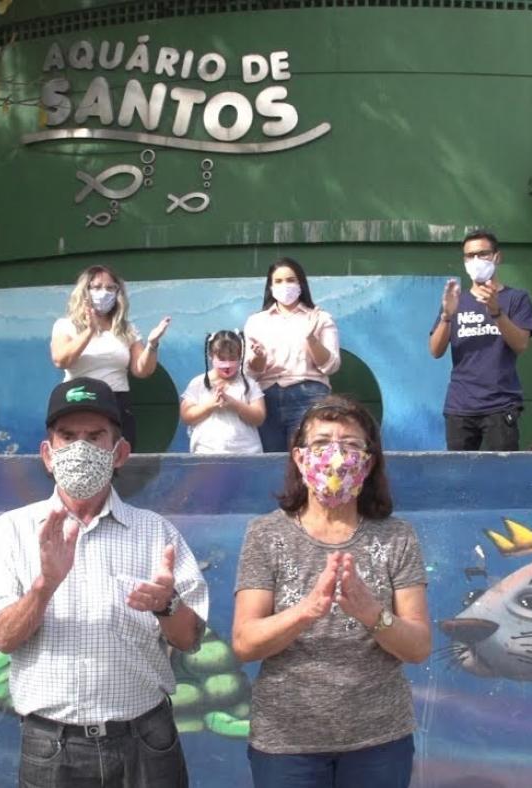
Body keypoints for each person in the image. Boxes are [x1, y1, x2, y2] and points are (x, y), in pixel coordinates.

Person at [0, 376, 208, 788]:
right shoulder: (10, 532)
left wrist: (166, 603)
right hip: (52, 749)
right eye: (67, 436)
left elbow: (189, 639)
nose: (80, 448)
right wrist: (44, 586)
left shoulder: (157, 534)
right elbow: (3, 638)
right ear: (48, 454)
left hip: (146, 743)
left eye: (95, 436)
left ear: (120, 453)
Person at [231, 395, 431, 788]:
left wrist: (373, 614)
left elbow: (419, 646)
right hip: (286, 743)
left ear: (369, 462)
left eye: (351, 444)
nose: (336, 456)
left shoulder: (396, 537)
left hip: (380, 740)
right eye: (321, 443)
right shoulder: (266, 534)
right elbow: (244, 642)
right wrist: (308, 611)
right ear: (300, 458)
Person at [428, 229, 532, 451]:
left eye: (483, 254)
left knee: (501, 477)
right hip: (460, 406)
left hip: (500, 405)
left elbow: (521, 344)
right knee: (459, 478)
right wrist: (447, 316)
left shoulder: (516, 298)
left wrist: (496, 312)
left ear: (497, 257)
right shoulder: (455, 300)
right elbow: (435, 350)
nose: (476, 261)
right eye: (470, 256)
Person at [51, 266, 171, 447]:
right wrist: (90, 331)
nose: (104, 293)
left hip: (116, 401)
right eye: (97, 287)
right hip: (78, 399)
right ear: (85, 291)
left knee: (120, 460)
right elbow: (61, 360)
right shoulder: (66, 325)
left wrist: (152, 345)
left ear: (118, 292)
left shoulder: (126, 329)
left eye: (110, 288)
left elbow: (142, 370)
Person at [243, 258, 341, 452]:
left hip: (309, 394)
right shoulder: (256, 321)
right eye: (278, 281)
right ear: (270, 286)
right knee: (270, 463)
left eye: (290, 280)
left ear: (301, 283)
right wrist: (258, 358)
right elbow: (249, 372)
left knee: (308, 459)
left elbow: (331, 366)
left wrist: (311, 339)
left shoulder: (320, 317)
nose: (284, 285)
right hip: (265, 396)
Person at [179, 329, 266, 454]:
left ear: (240, 356)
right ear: (211, 356)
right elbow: (186, 416)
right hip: (206, 451)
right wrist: (210, 405)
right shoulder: (198, 383)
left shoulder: (249, 384)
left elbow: (259, 417)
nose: (227, 364)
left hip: (246, 452)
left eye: (232, 359)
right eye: (221, 359)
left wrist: (234, 404)